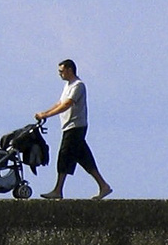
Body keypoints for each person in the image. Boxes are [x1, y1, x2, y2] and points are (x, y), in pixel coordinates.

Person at [34, 59, 112, 200]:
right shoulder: (68, 86)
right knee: (84, 157)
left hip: (75, 126)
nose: (60, 74)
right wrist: (44, 113)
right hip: (68, 126)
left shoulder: (78, 85)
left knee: (65, 155)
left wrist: (47, 115)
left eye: (61, 71)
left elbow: (67, 104)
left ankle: (58, 190)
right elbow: (60, 103)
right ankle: (103, 186)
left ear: (69, 70)